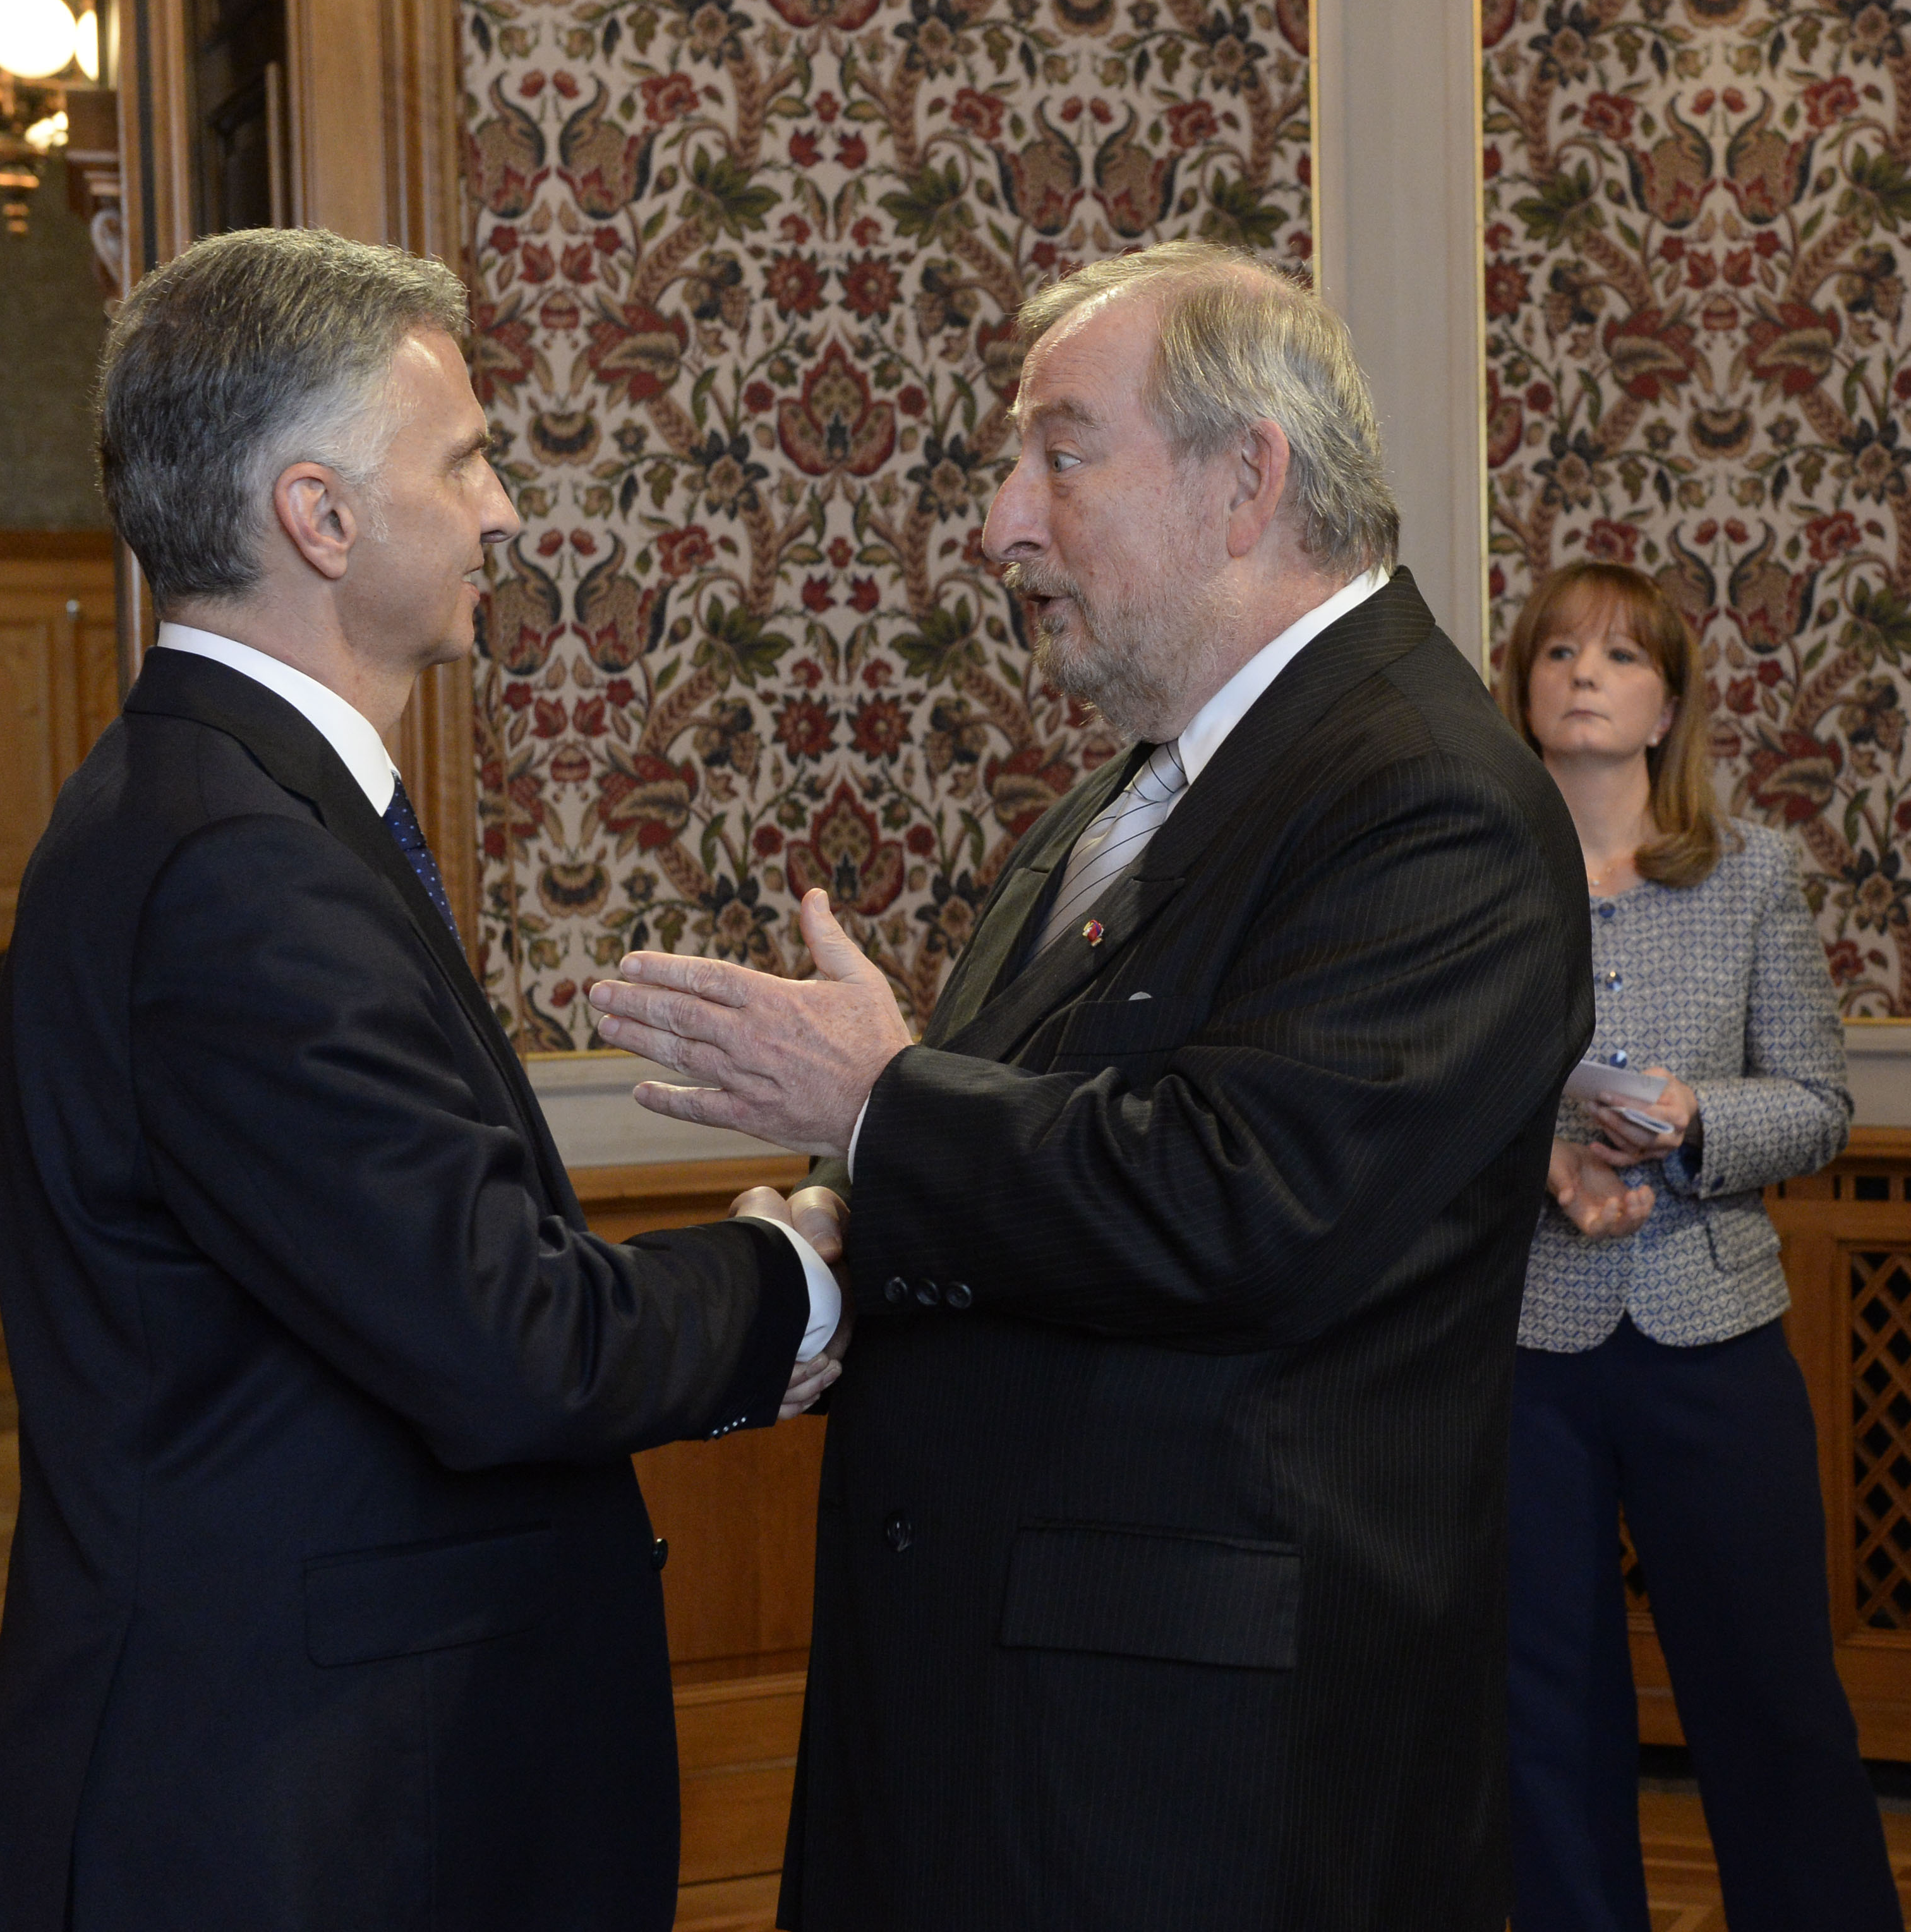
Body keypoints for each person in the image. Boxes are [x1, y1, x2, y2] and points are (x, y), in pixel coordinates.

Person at [583, 241, 1592, 1931]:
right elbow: (1053, 1147)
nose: (1001, 523)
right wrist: (850, 1207)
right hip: (1017, 1716)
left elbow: (1244, 1200)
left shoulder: (1427, 798)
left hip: (1188, 1769)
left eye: (1058, 454)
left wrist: (879, 1110)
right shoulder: (1138, 793)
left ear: (1244, 480)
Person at [0, 228, 843, 1932]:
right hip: (295, 1816)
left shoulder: (228, 809)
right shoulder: (239, 865)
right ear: (322, 517)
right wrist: (794, 1274)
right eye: (465, 458)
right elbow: (511, 1347)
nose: (504, 510)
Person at [1495, 560, 1902, 1932]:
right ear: (1522, 690)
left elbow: (1819, 1104)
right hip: (1523, 1347)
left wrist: (1690, 1118)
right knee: (1539, 1706)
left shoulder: (1750, 876)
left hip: (1708, 1332)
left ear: (1668, 699)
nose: (1584, 675)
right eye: (1556, 653)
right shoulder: (1475, 884)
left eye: (1617, 655)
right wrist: (1540, 1153)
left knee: (1769, 1693)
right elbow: (1416, 1103)